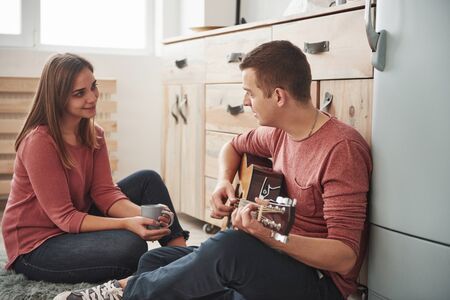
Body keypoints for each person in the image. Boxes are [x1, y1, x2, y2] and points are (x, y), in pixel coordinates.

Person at [56, 40, 372, 300]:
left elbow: (344, 256)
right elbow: (233, 147)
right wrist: (223, 181)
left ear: (278, 96)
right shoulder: (279, 133)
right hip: (273, 262)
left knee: (228, 248)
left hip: (318, 283)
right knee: (155, 260)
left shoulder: (341, 148)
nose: (246, 102)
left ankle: (123, 294)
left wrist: (269, 237)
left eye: (250, 92)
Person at [0, 53, 189, 284]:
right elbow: (65, 217)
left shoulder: (93, 133)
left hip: (74, 222)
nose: (92, 97)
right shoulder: (39, 142)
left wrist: (144, 214)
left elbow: (104, 193)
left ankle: (184, 257)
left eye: (93, 87)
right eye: (80, 94)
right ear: (58, 98)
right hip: (37, 246)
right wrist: (126, 222)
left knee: (148, 179)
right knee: (131, 245)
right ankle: (173, 269)